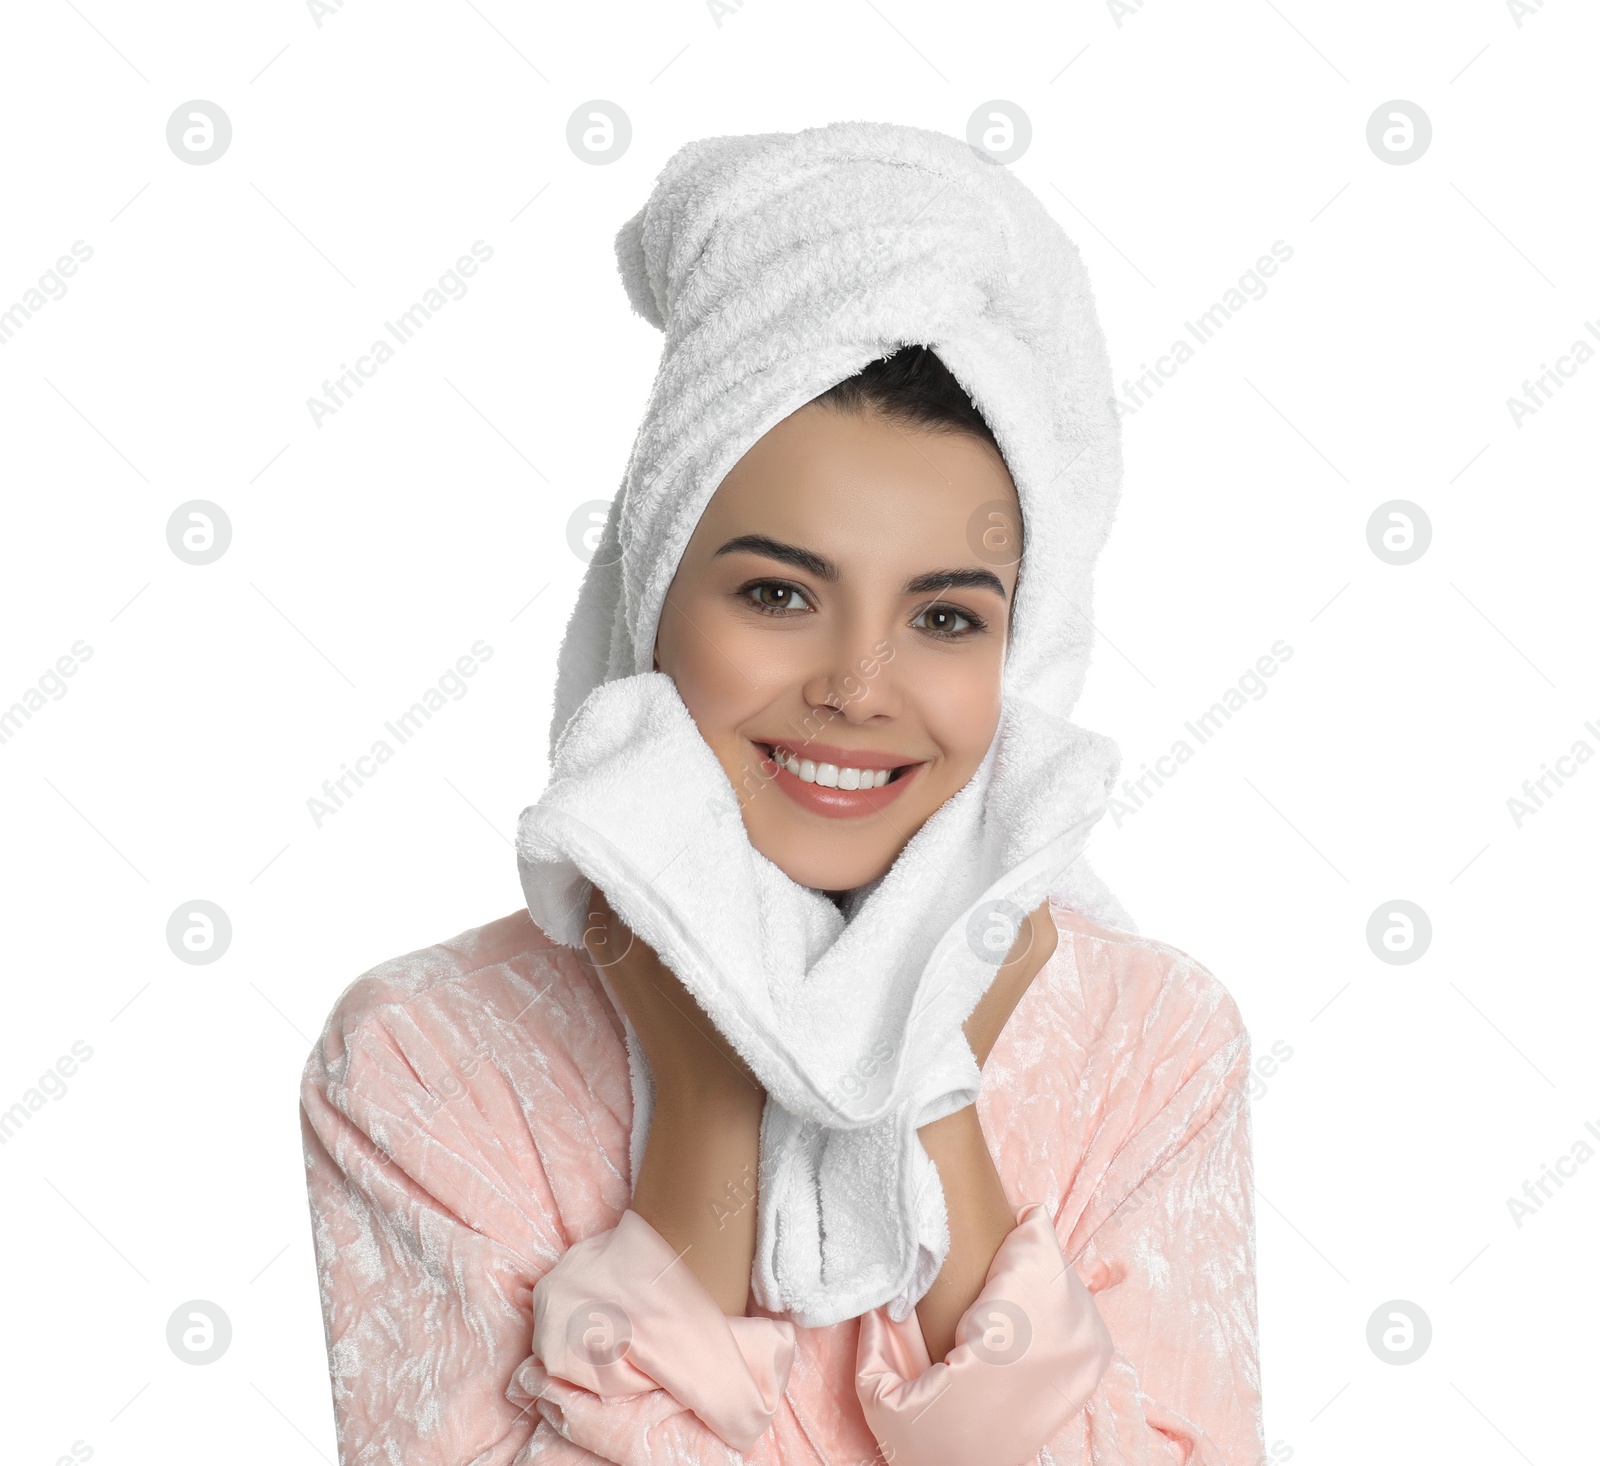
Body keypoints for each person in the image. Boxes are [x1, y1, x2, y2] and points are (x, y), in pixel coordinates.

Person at [300, 124, 1263, 1466]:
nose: (860, 685)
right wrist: (705, 1110)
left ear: (1018, 650)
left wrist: (925, 1076)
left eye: (944, 613)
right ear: (652, 604)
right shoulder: (422, 1058)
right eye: (776, 593)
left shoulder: (1149, 1043)